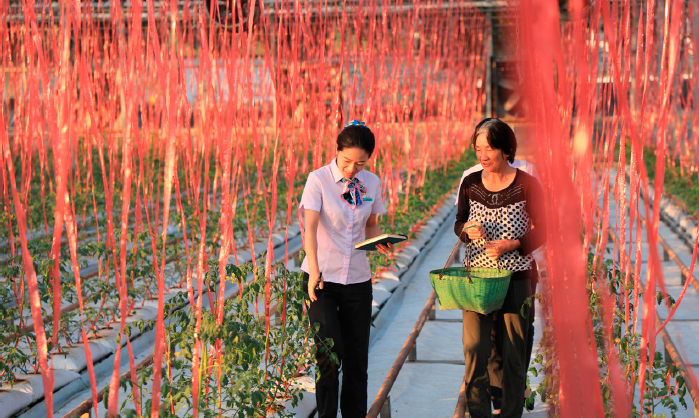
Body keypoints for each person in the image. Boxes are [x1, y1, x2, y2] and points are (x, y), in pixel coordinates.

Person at [299, 120, 393, 418]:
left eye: (360, 162)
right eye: (347, 161)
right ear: (336, 151)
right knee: (329, 355)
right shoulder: (319, 180)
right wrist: (314, 272)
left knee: (356, 360)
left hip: (357, 280)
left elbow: (370, 224)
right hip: (321, 277)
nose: (352, 168)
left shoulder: (372, 183)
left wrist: (377, 240)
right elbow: (309, 229)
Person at [454, 118, 546, 418]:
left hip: (517, 279)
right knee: (474, 349)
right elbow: (459, 223)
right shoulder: (470, 183)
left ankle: (509, 414)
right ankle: (480, 411)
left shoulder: (526, 183)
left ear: (507, 149)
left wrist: (514, 244)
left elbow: (544, 228)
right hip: (477, 281)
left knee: (515, 354)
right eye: (478, 149)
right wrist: (467, 230)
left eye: (489, 149)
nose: (482, 155)